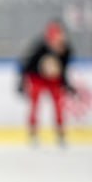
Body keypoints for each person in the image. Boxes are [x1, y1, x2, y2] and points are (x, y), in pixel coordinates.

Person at [18, 19, 77, 147]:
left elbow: (63, 70)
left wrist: (66, 84)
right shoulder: (39, 48)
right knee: (34, 104)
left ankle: (60, 134)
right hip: (37, 78)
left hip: (54, 80)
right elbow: (26, 66)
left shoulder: (66, 50)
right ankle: (33, 134)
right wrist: (21, 82)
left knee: (59, 105)